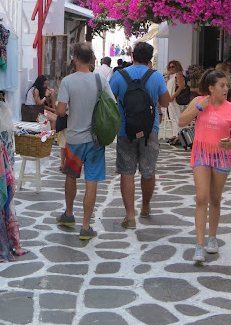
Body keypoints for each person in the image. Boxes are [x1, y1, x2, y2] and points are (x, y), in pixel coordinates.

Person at [178, 69, 231, 263]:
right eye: (222, 85)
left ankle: (212, 237)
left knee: (215, 198)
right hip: (201, 153)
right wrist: (198, 109)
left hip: (222, 155)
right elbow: (181, 121)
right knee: (201, 197)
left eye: (227, 85)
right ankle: (199, 246)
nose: (226, 89)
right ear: (211, 88)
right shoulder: (199, 102)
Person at [56, 43, 115, 240]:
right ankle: (86, 226)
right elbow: (111, 105)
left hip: (74, 138)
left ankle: (69, 214)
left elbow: (61, 111)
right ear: (91, 59)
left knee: (71, 175)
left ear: (74, 58)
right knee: (92, 181)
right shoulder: (100, 80)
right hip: (96, 139)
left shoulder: (67, 81)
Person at [110, 41, 169, 229]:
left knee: (127, 172)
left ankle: (130, 216)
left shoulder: (119, 76)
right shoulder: (157, 76)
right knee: (148, 170)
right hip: (150, 130)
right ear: (150, 58)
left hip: (125, 130)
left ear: (133, 55)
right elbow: (166, 102)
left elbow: (110, 101)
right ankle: (145, 206)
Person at [165, 60, 186, 145]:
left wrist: (172, 97)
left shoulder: (178, 74)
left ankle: (179, 135)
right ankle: (175, 134)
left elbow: (181, 87)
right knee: (172, 117)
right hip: (170, 99)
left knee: (177, 117)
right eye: (170, 67)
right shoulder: (171, 76)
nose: (171, 68)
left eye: (173, 67)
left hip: (175, 99)